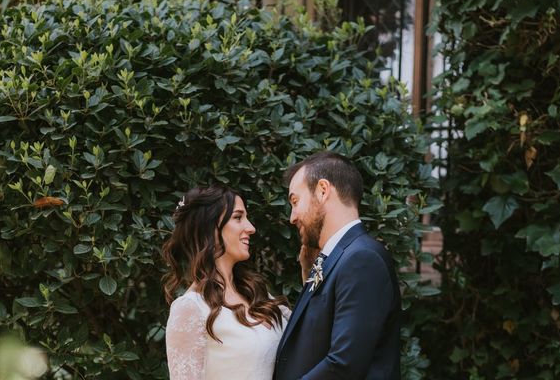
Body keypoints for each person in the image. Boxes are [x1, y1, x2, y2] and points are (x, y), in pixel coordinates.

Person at [274, 151, 401, 380]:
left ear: (323, 191)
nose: (292, 217)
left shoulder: (362, 259)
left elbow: (344, 365)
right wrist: (308, 276)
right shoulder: (338, 256)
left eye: (295, 201)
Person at [163, 185, 289, 380]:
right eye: (238, 218)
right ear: (209, 227)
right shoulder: (190, 308)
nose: (251, 228)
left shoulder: (257, 294)